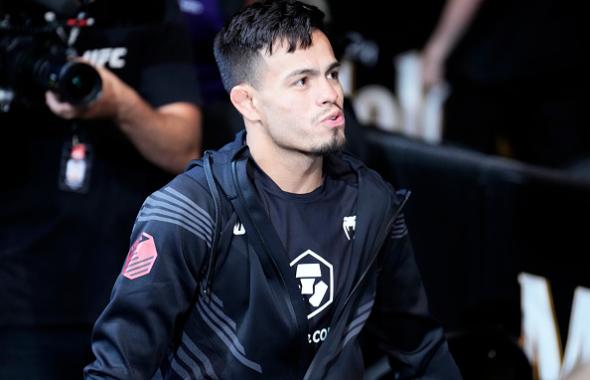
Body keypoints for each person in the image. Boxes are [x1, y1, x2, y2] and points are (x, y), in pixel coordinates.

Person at [84, 1, 461, 379]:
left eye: (332, 74)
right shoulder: (190, 211)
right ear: (247, 102)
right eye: (302, 81)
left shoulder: (372, 201)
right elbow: (117, 369)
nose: (329, 93)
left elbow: (421, 352)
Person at [0, 0, 202, 378]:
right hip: (18, 295)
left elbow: (183, 149)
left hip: (126, 290)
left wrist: (119, 103)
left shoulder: (146, 12)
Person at [421, 0, 588, 168]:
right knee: (559, 170)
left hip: (491, 65)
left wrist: (436, 52)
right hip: (559, 62)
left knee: (463, 165)